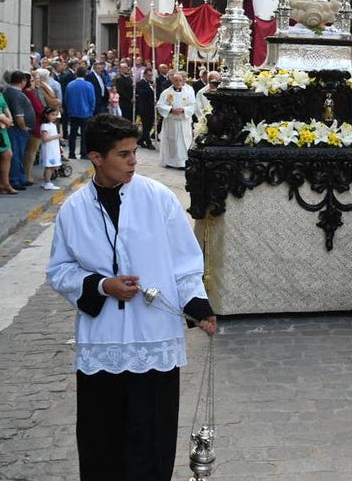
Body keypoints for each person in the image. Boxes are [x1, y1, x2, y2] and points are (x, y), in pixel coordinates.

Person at [46, 114, 216, 481]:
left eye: (134, 152)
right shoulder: (74, 209)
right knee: (101, 438)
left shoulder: (158, 198)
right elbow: (59, 270)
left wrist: (198, 305)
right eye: (123, 154)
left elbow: (185, 262)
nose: (133, 162)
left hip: (154, 337)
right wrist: (103, 286)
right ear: (96, 157)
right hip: (104, 340)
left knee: (151, 438)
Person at [156, 71, 196, 170]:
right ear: (172, 81)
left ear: (183, 81)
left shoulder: (188, 92)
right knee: (171, 142)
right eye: (176, 80)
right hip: (171, 122)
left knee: (183, 142)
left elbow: (193, 105)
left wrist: (184, 110)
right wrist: (171, 110)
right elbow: (160, 105)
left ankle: (182, 163)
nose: (178, 82)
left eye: (180, 80)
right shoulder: (166, 93)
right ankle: (170, 161)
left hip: (183, 121)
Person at [65, 65, 97, 159]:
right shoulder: (89, 85)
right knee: (84, 134)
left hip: (73, 112)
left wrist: (69, 108)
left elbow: (66, 98)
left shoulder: (70, 84)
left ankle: (71, 153)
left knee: (73, 134)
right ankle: (84, 153)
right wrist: (91, 109)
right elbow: (92, 99)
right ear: (85, 74)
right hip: (86, 113)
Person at [41, 107, 63, 190]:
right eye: (52, 115)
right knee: (49, 167)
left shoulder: (53, 125)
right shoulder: (45, 126)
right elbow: (45, 138)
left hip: (53, 148)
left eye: (55, 115)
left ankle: (46, 181)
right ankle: (47, 182)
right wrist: (57, 136)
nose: (54, 117)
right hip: (49, 149)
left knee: (52, 166)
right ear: (46, 115)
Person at [135, 67, 157, 149]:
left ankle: (140, 140)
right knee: (146, 125)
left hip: (151, 107)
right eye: (148, 75)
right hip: (144, 107)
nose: (150, 77)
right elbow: (141, 93)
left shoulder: (151, 83)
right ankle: (148, 142)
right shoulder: (140, 83)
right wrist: (151, 88)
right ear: (144, 75)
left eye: (151, 75)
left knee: (150, 125)